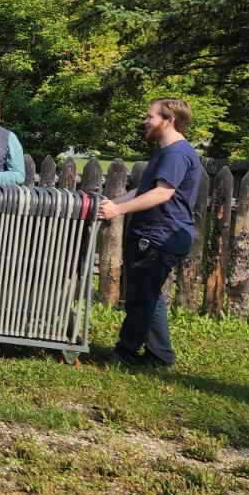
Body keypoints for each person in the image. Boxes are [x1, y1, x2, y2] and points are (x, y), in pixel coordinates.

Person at [97, 98, 205, 369]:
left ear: (168, 120)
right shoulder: (165, 151)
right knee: (149, 295)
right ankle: (160, 355)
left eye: (150, 116)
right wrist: (114, 203)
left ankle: (125, 355)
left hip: (159, 235)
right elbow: (146, 190)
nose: (145, 121)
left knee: (140, 299)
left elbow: (162, 193)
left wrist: (118, 212)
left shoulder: (176, 154)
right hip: (154, 233)